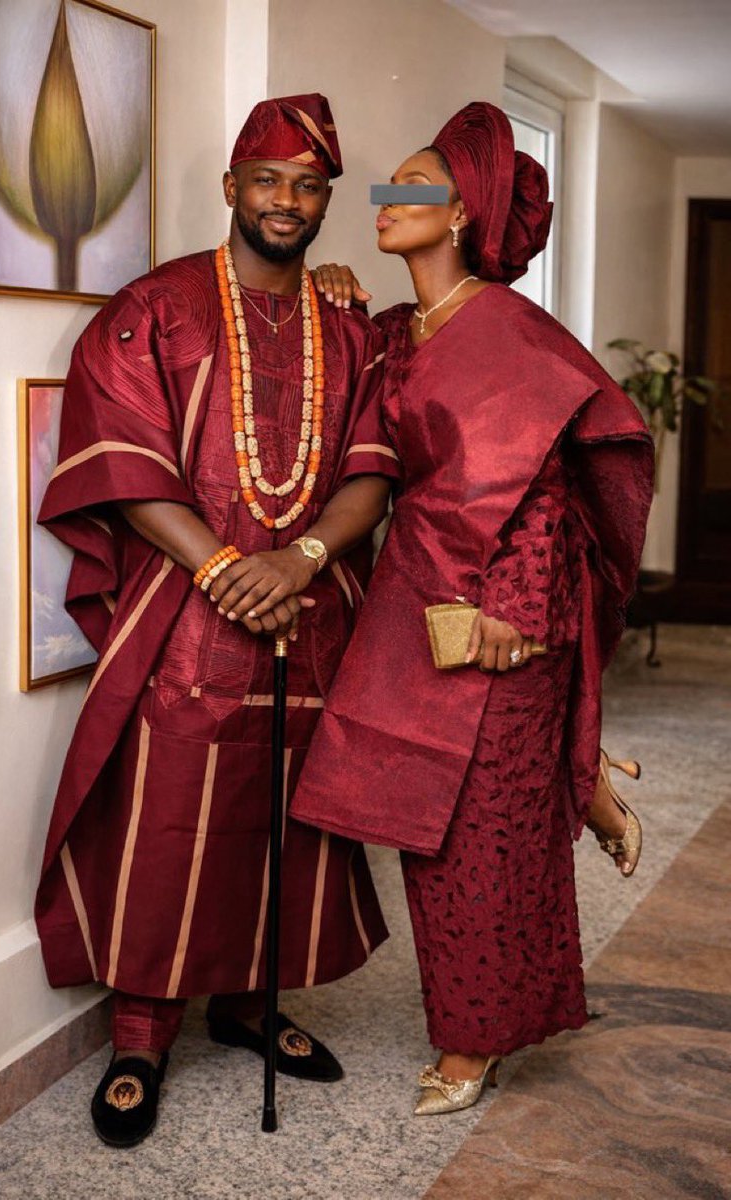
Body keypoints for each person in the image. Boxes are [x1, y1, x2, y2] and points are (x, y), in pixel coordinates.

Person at [34, 93, 401, 1147]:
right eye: (268, 180)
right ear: (232, 186)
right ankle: (141, 1038)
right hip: (186, 615)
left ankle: (248, 1006)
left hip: (310, 614)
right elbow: (122, 462)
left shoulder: (351, 329)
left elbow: (375, 469)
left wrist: (301, 558)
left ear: (326, 200)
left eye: (309, 185)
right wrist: (229, 568)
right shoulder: (154, 308)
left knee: (287, 818)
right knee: (165, 825)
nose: (287, 200)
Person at [292, 101, 654, 1115]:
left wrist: (511, 609)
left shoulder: (507, 329)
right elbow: (348, 395)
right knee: (427, 821)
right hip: (418, 593)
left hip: (503, 608)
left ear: (460, 214)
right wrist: (326, 293)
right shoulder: (397, 330)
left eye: (410, 186)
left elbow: (546, 486)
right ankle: (581, 777)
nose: (384, 200)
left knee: (484, 833)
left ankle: (474, 1039)